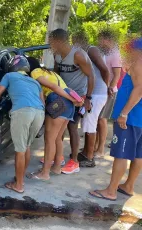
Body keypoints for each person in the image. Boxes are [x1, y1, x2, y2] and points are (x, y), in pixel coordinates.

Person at [89, 38, 142, 201]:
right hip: (139, 119)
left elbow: (140, 89)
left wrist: (124, 113)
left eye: (129, 49)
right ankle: (128, 186)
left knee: (121, 154)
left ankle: (111, 191)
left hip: (131, 119)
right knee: (138, 155)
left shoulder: (139, 62)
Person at [0, 55, 45, 193]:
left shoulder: (9, 76)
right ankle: (20, 179)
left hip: (22, 112)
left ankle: (18, 185)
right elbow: (42, 102)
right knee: (27, 146)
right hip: (39, 113)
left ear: (12, 66)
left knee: (20, 149)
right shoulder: (35, 82)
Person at [26, 58, 83, 180]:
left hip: (58, 100)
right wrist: (73, 100)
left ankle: (44, 173)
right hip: (68, 104)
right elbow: (66, 88)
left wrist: (71, 98)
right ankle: (56, 167)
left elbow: (53, 87)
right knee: (58, 138)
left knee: (49, 140)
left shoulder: (35, 72)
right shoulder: (51, 73)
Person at [49, 29, 95, 174]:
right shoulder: (56, 54)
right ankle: (58, 157)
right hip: (62, 95)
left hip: (78, 97)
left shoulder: (78, 55)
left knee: (72, 127)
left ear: (59, 41)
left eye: (51, 41)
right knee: (59, 126)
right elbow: (56, 73)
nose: (49, 44)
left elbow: (91, 76)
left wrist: (88, 98)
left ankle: (74, 161)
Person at [72, 31, 110, 165]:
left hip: (96, 94)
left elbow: (105, 70)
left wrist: (108, 86)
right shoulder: (86, 51)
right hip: (93, 93)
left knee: (90, 125)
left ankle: (89, 157)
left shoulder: (91, 50)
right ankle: (86, 152)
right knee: (87, 124)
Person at [95, 29, 122, 155]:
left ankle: (100, 149)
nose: (99, 42)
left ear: (107, 40)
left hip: (109, 91)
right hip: (99, 89)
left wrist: (110, 88)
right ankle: (93, 146)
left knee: (102, 119)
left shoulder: (115, 54)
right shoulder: (102, 52)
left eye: (101, 39)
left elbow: (117, 75)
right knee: (96, 119)